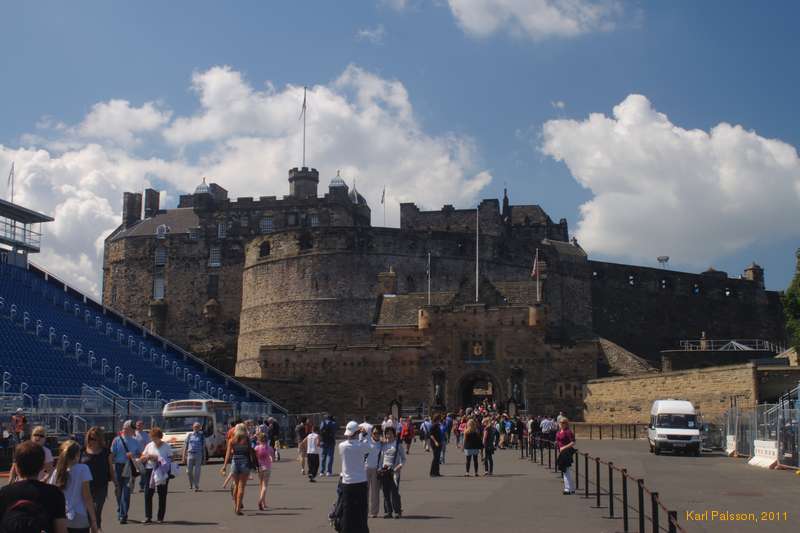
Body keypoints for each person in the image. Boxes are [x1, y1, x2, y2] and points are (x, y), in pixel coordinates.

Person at [0, 441, 67, 533]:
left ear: (17, 467)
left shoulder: (5, 493)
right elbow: (61, 529)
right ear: (42, 467)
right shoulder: (54, 493)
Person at [50, 440, 98, 533]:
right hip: (78, 516)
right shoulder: (83, 469)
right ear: (77, 454)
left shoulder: (57, 472)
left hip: (60, 517)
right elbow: (87, 497)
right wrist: (94, 521)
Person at [338, 421, 370, 533]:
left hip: (347, 483)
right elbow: (368, 448)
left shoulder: (341, 446)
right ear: (357, 432)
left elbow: (354, 442)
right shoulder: (362, 445)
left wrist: (359, 434)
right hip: (361, 481)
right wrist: (364, 434)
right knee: (361, 510)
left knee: (347, 510)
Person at [81, 426, 115, 530]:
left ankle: (96, 529)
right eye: (90, 438)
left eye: (95, 438)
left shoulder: (105, 451)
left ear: (100, 439)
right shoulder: (82, 451)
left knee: (96, 510)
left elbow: (110, 467)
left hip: (101, 485)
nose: (93, 441)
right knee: (86, 511)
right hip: (86, 485)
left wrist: (115, 482)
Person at [110, 420, 142, 524]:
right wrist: (110, 468)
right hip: (119, 466)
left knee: (127, 491)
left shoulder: (135, 441)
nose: (133, 430)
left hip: (129, 467)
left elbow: (140, 455)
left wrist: (133, 456)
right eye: (131, 428)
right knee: (118, 490)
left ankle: (123, 515)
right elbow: (112, 455)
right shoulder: (116, 440)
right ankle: (120, 508)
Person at [140, 427, 173, 523]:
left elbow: (171, 459)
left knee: (162, 494)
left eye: (155, 438)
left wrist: (158, 458)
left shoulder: (166, 446)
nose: (153, 440)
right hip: (150, 470)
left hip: (162, 471)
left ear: (160, 437)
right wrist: (145, 457)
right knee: (148, 494)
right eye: (152, 437)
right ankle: (148, 517)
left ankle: (160, 517)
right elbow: (142, 456)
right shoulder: (149, 445)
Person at [221, 423, 253, 515]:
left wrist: (224, 466)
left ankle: (235, 505)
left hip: (235, 463)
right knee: (241, 486)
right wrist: (254, 464)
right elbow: (250, 452)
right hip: (245, 463)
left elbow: (228, 454)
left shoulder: (232, 440)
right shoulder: (247, 440)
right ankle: (238, 508)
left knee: (235, 484)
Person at [379, 426, 405, 519]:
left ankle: (397, 511)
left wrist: (399, 466)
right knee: (385, 492)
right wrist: (379, 468)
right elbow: (381, 459)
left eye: (390, 433)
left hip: (394, 471)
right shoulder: (383, 445)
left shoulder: (398, 445)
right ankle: (388, 511)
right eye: (387, 433)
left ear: (394, 434)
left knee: (394, 492)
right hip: (384, 471)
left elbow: (403, 459)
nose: (388, 435)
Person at [364, 426, 382, 518]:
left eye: (378, 433)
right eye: (374, 433)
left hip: (376, 469)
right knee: (364, 491)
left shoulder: (381, 444)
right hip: (366, 468)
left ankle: (374, 512)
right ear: (371, 434)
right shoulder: (367, 441)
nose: (376, 435)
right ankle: (364, 511)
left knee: (375, 492)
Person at [182, 422, 206, 492]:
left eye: (198, 427)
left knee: (197, 471)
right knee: (189, 471)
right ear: (193, 427)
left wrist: (204, 458)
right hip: (190, 454)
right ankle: (191, 483)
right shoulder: (189, 435)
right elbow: (185, 446)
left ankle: (196, 485)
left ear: (199, 428)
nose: (196, 428)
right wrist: (183, 456)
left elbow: (203, 448)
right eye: (195, 427)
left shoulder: (201, 436)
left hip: (198, 454)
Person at [254, 432, 275, 510]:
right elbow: (273, 457)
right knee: (265, 485)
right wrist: (271, 458)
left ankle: (263, 502)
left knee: (261, 485)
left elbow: (254, 458)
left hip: (259, 468)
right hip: (267, 468)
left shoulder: (256, 448)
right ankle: (261, 501)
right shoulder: (269, 448)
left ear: (259, 439)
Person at [556, 418, 576, 495]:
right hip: (561, 452)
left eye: (563, 422)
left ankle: (567, 488)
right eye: (560, 422)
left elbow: (573, 442)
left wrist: (564, 447)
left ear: (566, 423)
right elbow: (558, 440)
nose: (562, 424)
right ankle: (571, 488)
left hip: (566, 451)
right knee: (566, 470)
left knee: (565, 469)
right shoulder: (559, 432)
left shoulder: (568, 432)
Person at [133, 421, 150, 493]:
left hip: (143, 456)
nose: (139, 426)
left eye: (140, 425)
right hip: (135, 456)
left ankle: (142, 486)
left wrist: (145, 454)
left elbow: (148, 445)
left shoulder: (146, 435)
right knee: (133, 472)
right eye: (137, 425)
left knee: (143, 472)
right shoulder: (133, 434)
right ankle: (131, 487)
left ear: (143, 426)